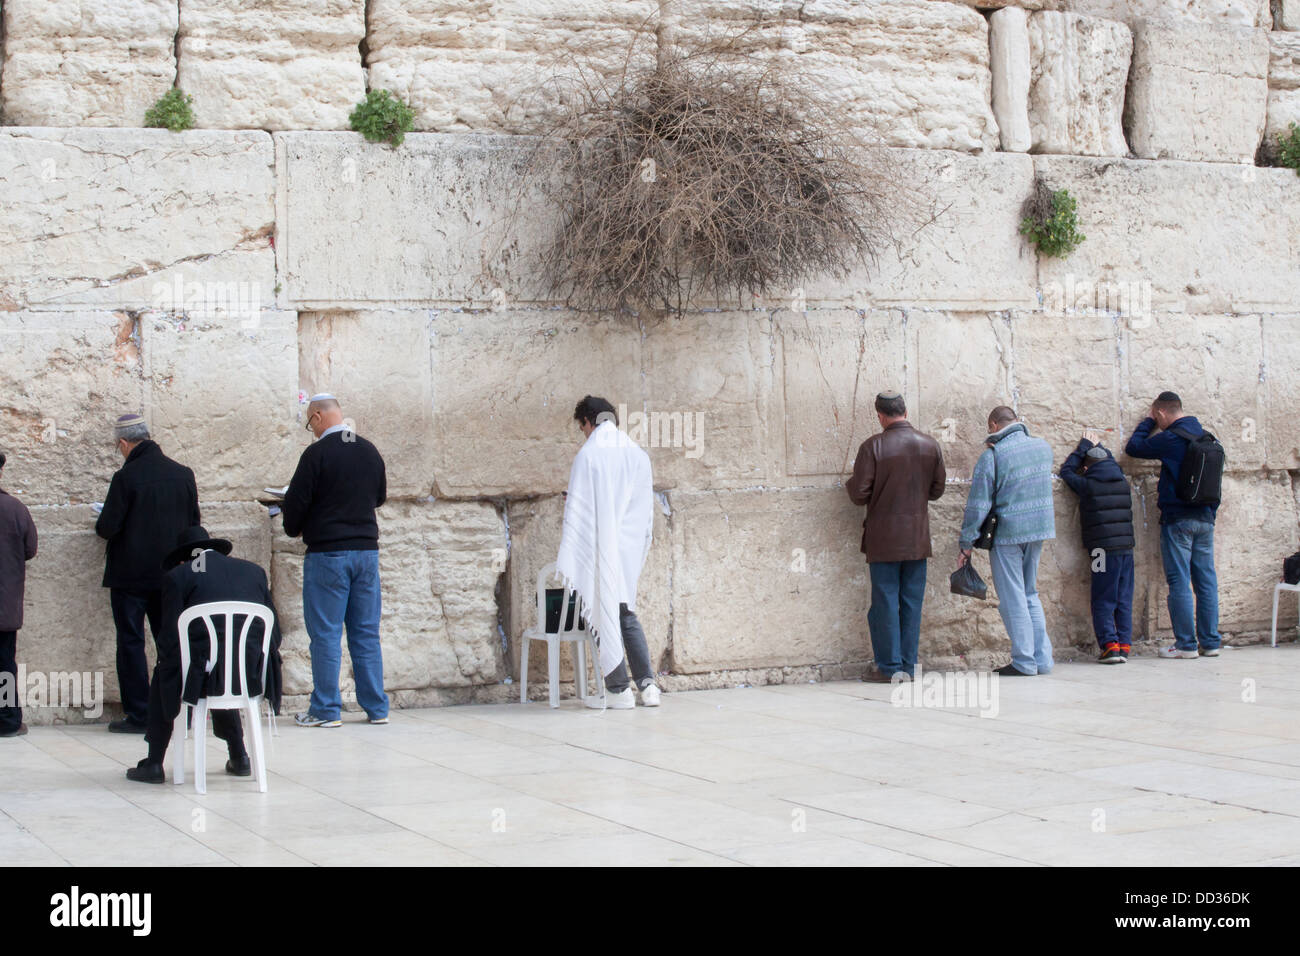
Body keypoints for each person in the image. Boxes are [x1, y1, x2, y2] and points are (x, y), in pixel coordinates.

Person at [126, 526, 284, 783]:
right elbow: (275, 633)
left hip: (206, 674)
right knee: (220, 667)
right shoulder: (253, 572)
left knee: (180, 669)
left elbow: (168, 640)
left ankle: (154, 761)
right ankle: (239, 755)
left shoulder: (179, 576)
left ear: (183, 557)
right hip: (250, 675)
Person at [281, 394, 389, 727]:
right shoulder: (369, 450)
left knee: (326, 634)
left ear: (316, 416)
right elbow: (379, 497)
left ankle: (326, 710)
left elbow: (293, 514)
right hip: (366, 553)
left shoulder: (316, 455)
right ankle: (377, 709)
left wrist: (294, 517)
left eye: (308, 423)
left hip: (328, 555)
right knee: (366, 633)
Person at [96, 413, 200, 733]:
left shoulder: (126, 478)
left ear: (124, 444)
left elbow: (107, 527)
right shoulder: (183, 474)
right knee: (171, 643)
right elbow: (194, 525)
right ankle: (179, 708)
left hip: (130, 578)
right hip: (171, 575)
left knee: (131, 643)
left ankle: (140, 714)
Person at [556, 396, 659, 709]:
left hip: (600, 547)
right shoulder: (637, 454)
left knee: (600, 611)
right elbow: (642, 512)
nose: (584, 434)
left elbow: (580, 507)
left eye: (582, 427)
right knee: (625, 612)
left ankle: (618, 690)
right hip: (626, 549)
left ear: (588, 422)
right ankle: (648, 685)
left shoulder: (589, 454)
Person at [846, 391, 946, 682]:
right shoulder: (930, 444)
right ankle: (909, 665)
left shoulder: (873, 447)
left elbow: (859, 493)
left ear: (880, 415)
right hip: (917, 538)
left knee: (885, 602)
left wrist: (850, 484)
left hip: (884, 539)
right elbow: (937, 490)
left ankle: (889, 668)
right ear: (904, 410)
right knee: (911, 603)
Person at [957, 406, 1056, 676]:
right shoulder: (1043, 447)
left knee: (1012, 596)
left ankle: (1024, 662)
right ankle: (1042, 659)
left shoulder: (993, 456)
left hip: (1008, 533)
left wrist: (966, 542)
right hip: (1039, 530)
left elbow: (978, 505)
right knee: (1030, 593)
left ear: (993, 424)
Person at [1124, 391, 1222, 659]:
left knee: (1179, 581)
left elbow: (1134, 448)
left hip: (1178, 519)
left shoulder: (1170, 438)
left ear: (1161, 413)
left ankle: (1186, 645)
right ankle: (1211, 642)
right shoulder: (1207, 437)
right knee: (1206, 580)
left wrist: (1147, 422)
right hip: (1205, 518)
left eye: (1157, 416)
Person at [1059, 432, 1135, 664]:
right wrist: (1098, 445)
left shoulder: (1088, 484)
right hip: (1126, 549)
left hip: (1102, 550)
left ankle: (1109, 646)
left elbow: (1065, 471)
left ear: (1086, 467)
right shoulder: (1121, 479)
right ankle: (1124, 644)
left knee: (1103, 596)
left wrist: (1083, 446)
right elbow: (1107, 460)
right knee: (1123, 597)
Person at [0, 453, 38, 738]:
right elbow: (30, 550)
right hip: (4, 606)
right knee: (4, 664)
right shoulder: (15, 509)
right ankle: (8, 720)